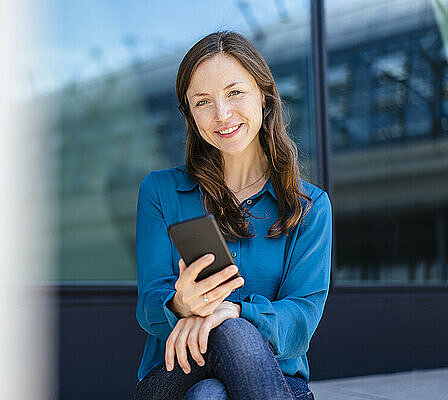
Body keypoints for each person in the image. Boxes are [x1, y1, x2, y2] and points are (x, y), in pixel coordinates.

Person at [133, 31, 332, 400]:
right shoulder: (160, 192)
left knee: (210, 395)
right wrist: (181, 304)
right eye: (203, 102)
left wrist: (234, 313)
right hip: (174, 375)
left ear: (264, 94)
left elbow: (302, 319)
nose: (221, 114)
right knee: (226, 343)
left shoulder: (310, 207)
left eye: (235, 92)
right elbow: (149, 302)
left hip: (276, 379)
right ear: (190, 115)